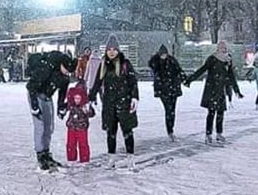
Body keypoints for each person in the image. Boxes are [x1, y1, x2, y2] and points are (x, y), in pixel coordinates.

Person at [91, 35, 140, 167]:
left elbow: (133, 82)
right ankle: (111, 158)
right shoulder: (103, 65)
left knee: (127, 131)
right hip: (109, 104)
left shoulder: (125, 64)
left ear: (118, 50)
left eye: (114, 49)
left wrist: (135, 97)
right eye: (109, 49)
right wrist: (91, 98)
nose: (111, 52)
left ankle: (131, 158)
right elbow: (96, 83)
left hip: (124, 103)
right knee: (110, 133)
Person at [25, 50, 75, 170]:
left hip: (47, 97)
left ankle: (46, 153)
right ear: (62, 64)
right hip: (36, 95)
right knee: (40, 126)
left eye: (69, 72)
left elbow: (62, 94)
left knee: (49, 126)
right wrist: (34, 106)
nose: (67, 73)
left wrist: (61, 108)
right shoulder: (46, 68)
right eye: (67, 70)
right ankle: (40, 154)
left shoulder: (64, 77)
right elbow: (31, 86)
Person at [186, 40, 243, 143]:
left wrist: (236, 90)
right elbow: (202, 69)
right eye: (222, 48)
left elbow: (231, 76)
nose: (224, 50)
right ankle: (208, 135)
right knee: (211, 113)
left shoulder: (228, 60)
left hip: (221, 90)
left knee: (221, 113)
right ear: (218, 48)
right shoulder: (212, 59)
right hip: (212, 89)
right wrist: (190, 79)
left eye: (225, 48)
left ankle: (219, 134)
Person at [147, 44, 186, 139]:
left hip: (173, 88)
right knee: (168, 109)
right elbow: (151, 65)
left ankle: (170, 129)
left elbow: (179, 71)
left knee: (172, 110)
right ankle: (170, 130)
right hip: (163, 90)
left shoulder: (172, 61)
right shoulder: (156, 62)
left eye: (165, 54)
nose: (164, 56)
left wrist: (185, 79)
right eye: (162, 54)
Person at [64, 77, 94, 165]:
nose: (77, 100)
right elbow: (65, 107)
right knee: (70, 144)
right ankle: (71, 158)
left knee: (83, 144)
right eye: (75, 98)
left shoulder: (85, 105)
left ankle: (84, 159)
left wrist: (88, 111)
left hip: (82, 127)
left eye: (78, 98)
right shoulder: (71, 104)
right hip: (71, 127)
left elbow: (91, 114)